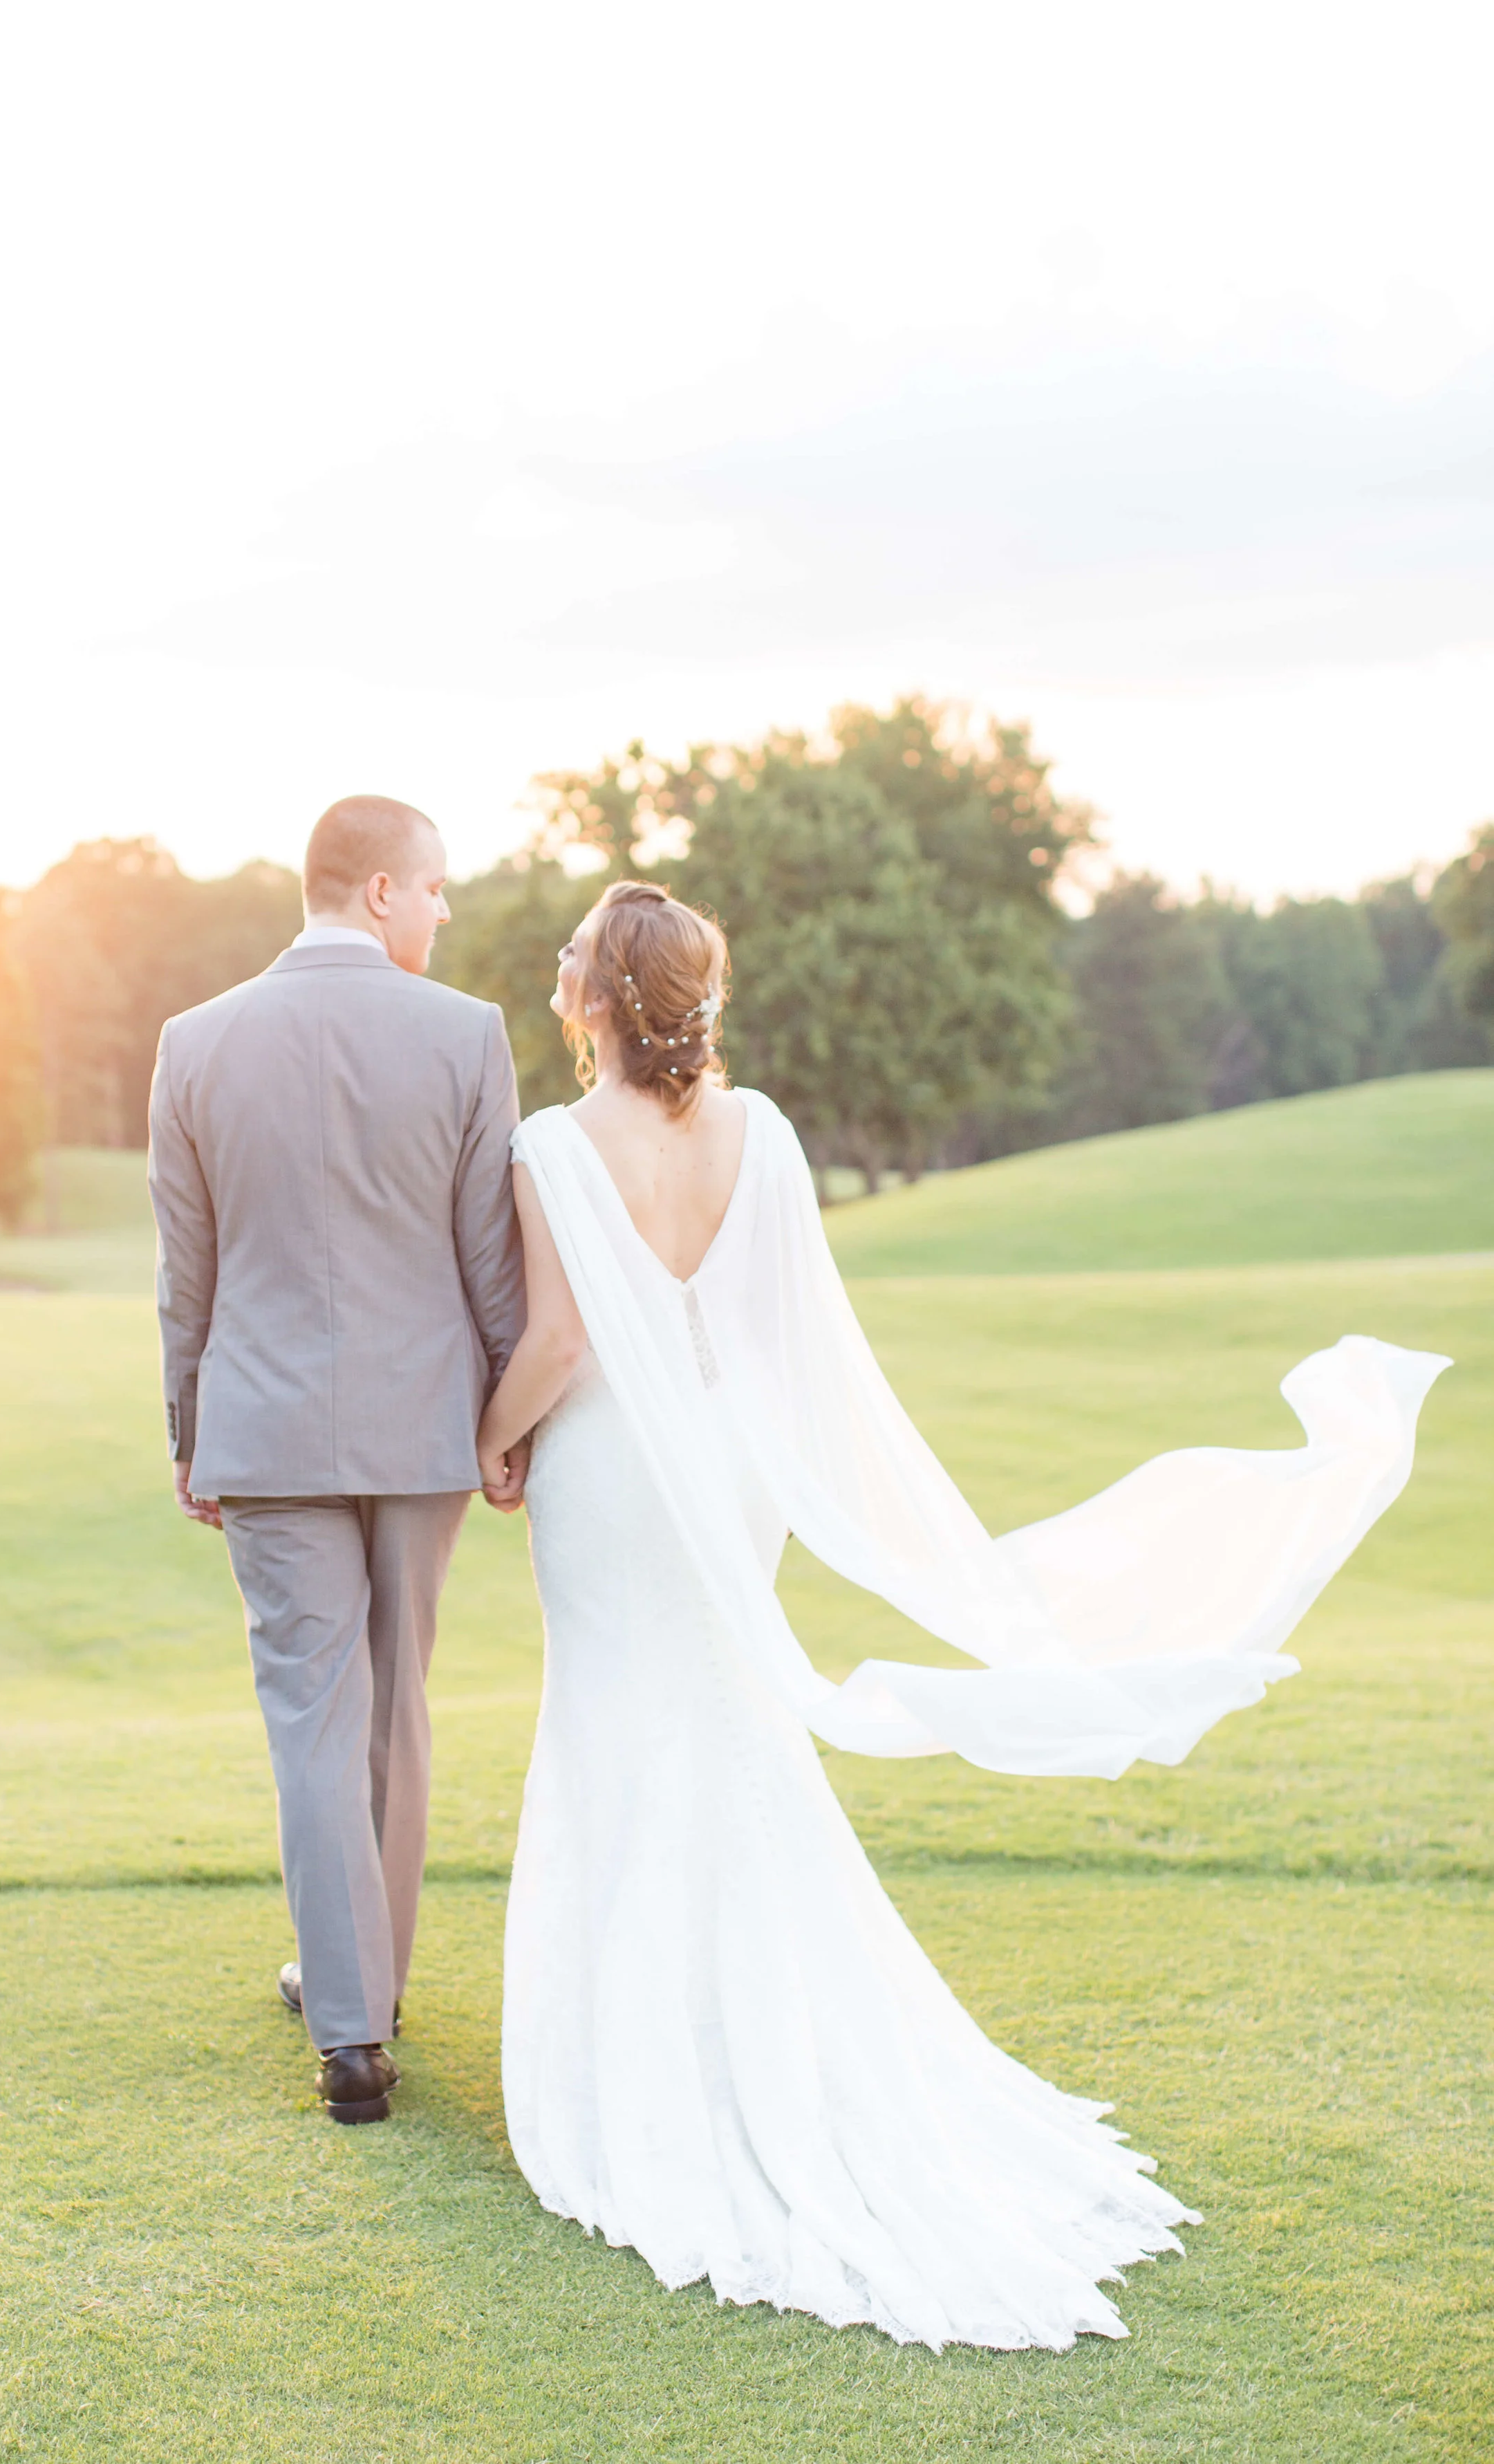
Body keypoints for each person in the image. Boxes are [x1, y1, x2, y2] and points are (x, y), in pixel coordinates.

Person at [474, 878, 1446, 2351]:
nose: (553, 976)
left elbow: (556, 1337)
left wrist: (492, 1436)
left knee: (616, 1723)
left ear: (600, 997)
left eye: (566, 963)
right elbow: (783, 1339)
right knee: (717, 1717)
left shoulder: (552, 1143)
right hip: (731, 1469)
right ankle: (741, 2041)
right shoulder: (764, 1134)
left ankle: (650, 2067)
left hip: (609, 1466)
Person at [149, 795, 524, 2125]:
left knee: (314, 1710)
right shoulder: (469, 1035)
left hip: (260, 1427)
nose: (440, 915)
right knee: (394, 1706)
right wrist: (506, 1427)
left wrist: (190, 1429)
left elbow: (184, 1276)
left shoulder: (192, 1043)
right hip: (423, 1431)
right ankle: (369, 1983)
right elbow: (492, 1261)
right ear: (377, 889)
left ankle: (349, 2020)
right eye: (433, 893)